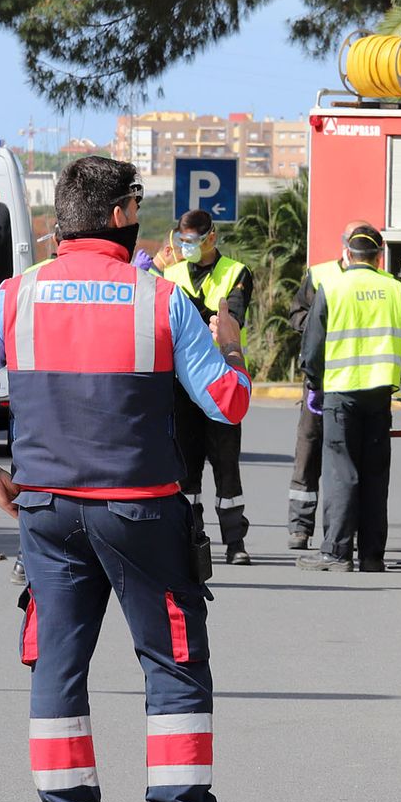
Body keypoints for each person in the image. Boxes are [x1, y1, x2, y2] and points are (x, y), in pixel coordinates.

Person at [0, 156, 251, 802]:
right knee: (172, 661)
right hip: (140, 511)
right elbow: (226, 401)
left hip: (46, 511)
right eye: (138, 203)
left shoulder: (15, 297)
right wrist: (230, 343)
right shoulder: (160, 299)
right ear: (116, 216)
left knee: (58, 665)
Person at [295, 225, 401, 573]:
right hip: (379, 396)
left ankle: (337, 553)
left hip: (341, 394)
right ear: (379, 255)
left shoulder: (333, 287)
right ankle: (372, 555)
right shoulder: (395, 290)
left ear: (348, 254)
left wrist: (313, 384)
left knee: (342, 473)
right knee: (373, 475)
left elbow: (312, 347)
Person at [162, 209, 255, 566]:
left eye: (193, 240)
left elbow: (230, 319)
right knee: (185, 468)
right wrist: (203, 314)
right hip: (181, 387)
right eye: (182, 240)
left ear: (211, 238)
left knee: (226, 464)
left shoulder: (235, 272)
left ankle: (235, 541)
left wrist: (188, 312)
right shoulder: (169, 274)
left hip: (220, 381)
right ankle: (192, 536)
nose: (187, 247)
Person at [283, 221, 373, 550]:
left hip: (350, 381)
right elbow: (297, 315)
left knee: (346, 462)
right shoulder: (320, 275)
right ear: (344, 245)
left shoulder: (372, 282)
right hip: (318, 379)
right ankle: (300, 526)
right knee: (307, 454)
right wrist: (325, 318)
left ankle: (341, 530)